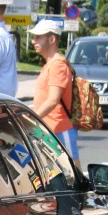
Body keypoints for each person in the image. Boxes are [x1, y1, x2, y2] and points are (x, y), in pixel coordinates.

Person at [27, 19, 78, 159]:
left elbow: (53, 100)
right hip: (46, 129)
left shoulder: (57, 65)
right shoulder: (50, 64)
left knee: (73, 172)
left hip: (59, 129)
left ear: (52, 39)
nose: (33, 41)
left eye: (38, 37)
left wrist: (29, 118)